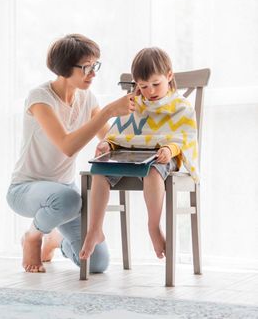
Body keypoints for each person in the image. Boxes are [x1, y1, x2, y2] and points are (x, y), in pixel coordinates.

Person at [6, 34, 135, 273]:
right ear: (65, 68)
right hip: (26, 189)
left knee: (97, 263)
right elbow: (67, 146)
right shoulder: (40, 98)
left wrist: (111, 144)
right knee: (69, 199)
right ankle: (33, 237)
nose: (93, 73)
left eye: (95, 65)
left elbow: (108, 137)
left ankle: (56, 240)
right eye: (87, 67)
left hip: (65, 192)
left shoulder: (87, 99)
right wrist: (107, 112)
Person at [79, 47, 199, 261]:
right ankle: (95, 229)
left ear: (169, 76)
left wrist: (168, 149)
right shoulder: (133, 105)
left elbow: (184, 138)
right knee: (99, 170)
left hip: (161, 157)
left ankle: (153, 226)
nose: (150, 91)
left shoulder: (181, 107)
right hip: (130, 155)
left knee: (152, 172)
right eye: (143, 86)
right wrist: (109, 145)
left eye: (156, 84)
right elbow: (120, 133)